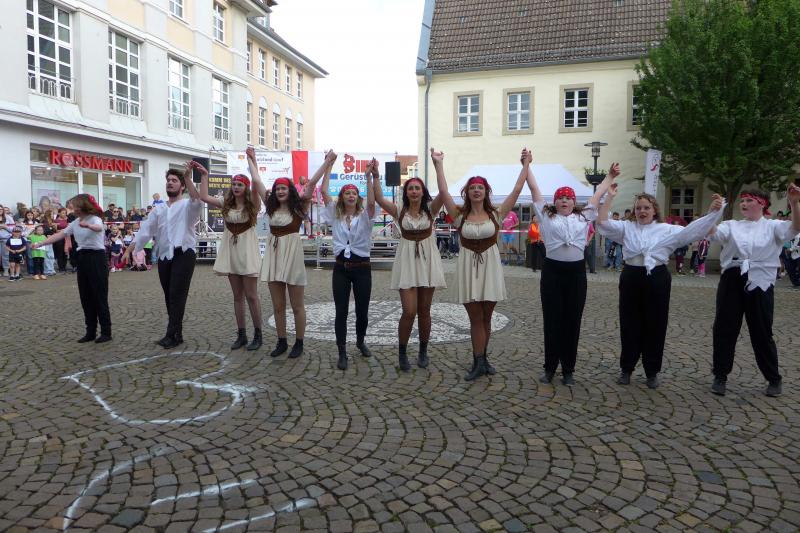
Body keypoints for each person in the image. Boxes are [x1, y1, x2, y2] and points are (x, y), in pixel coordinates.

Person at [598, 186, 724, 389]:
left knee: (655, 324)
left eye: (646, 207)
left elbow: (694, 231)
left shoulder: (667, 229)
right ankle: (626, 368)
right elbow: (602, 222)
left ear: (654, 210)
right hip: (631, 276)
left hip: (657, 277)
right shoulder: (627, 227)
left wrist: (712, 212)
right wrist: (609, 198)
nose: (642, 211)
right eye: (638, 208)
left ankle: (652, 371)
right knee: (629, 323)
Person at [434, 148, 532, 380]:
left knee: (487, 317)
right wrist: (438, 164)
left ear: (486, 192)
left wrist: (526, 164)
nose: (476, 190)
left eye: (480, 187)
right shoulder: (459, 215)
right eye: (472, 188)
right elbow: (444, 192)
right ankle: (478, 360)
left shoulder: (496, 214)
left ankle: (483, 359)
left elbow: (517, 189)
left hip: (490, 267)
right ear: (467, 192)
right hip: (468, 267)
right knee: (476, 317)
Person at [526, 159, 618, 385]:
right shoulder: (547, 216)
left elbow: (597, 195)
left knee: (572, 320)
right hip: (552, 272)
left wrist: (610, 176)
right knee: (552, 320)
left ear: (574, 202)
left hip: (576, 273)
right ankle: (550, 367)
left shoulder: (584, 216)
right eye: (560, 197)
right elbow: (535, 190)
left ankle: (568, 368)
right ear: (555, 202)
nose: (564, 200)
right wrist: (526, 166)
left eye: (568, 197)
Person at [709, 186, 800, 397]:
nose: (744, 204)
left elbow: (795, 228)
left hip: (761, 280)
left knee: (762, 330)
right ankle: (720, 375)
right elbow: (712, 233)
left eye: (749, 200)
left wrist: (794, 203)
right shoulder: (731, 225)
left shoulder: (773, 226)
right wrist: (713, 213)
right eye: (742, 201)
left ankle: (773, 378)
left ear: (762, 203)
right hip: (733, 278)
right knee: (724, 328)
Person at [372, 156, 446, 371]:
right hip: (406, 263)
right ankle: (402, 352)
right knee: (409, 311)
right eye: (410, 188)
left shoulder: (430, 210)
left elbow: (443, 192)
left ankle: (423, 351)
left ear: (422, 192)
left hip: (428, 262)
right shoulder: (399, 210)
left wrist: (438, 165)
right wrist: (376, 176)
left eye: (417, 188)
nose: (414, 191)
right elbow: (379, 199)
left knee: (425, 311)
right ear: (406, 193)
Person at [258, 150, 334, 358]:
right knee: (278, 305)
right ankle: (282, 341)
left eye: (283, 188)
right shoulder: (271, 207)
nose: (280, 191)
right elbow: (257, 182)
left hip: (292, 257)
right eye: (277, 188)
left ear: (289, 190)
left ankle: (299, 342)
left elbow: (311, 184)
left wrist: (327, 162)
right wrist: (252, 159)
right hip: (274, 257)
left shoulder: (299, 206)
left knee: (297, 305)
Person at [123, 166, 203, 349]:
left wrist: (188, 178)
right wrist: (129, 249)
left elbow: (197, 201)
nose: (170, 183)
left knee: (177, 294)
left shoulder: (187, 205)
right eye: (168, 180)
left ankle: (171, 334)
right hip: (165, 255)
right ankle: (177, 333)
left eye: (174, 180)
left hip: (184, 253)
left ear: (182, 186)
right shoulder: (158, 209)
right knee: (169, 294)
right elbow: (145, 231)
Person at [198, 151, 264, 351]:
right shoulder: (225, 204)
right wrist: (204, 175)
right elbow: (203, 196)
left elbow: (256, 182)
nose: (236, 187)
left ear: (246, 188)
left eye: (240, 185)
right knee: (237, 296)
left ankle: (258, 334)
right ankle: (241, 334)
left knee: (251, 295)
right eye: (234, 184)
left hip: (247, 253)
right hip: (231, 253)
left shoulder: (253, 205)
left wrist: (252, 160)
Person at [319, 156, 377, 371]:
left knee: (362, 311)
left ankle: (360, 341)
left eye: (353, 193)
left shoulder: (366, 216)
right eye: (347, 193)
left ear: (357, 197)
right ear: (342, 197)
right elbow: (324, 192)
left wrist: (369, 177)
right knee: (341, 310)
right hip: (341, 268)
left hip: (362, 268)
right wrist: (329, 166)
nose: (351, 195)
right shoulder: (336, 215)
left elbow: (372, 203)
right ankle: (342, 351)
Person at [32, 194, 111, 342]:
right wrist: (40, 244)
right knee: (85, 296)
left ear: (82, 206)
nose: (72, 208)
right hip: (83, 258)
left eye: (74, 206)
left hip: (97, 258)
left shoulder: (94, 219)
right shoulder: (75, 222)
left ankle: (106, 332)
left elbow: (99, 228)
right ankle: (90, 331)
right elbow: (60, 234)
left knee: (99, 295)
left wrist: (88, 226)